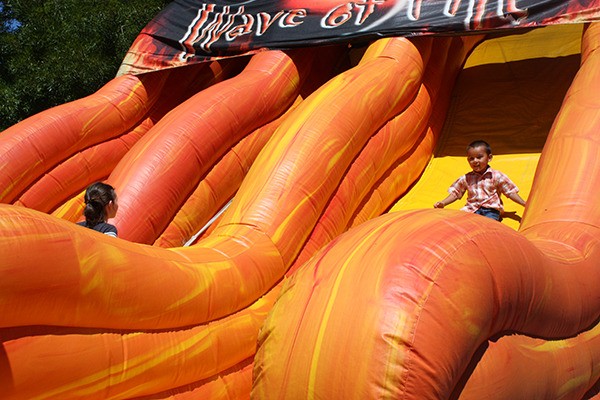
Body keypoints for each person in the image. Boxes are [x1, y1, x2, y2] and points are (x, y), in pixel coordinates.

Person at [433, 140, 526, 221]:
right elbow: (456, 193)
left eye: (479, 157)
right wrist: (443, 203)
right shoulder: (466, 178)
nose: (475, 161)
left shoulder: (496, 176)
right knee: (461, 222)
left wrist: (523, 203)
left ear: (489, 158)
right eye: (471, 158)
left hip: (491, 210)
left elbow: (509, 192)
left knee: (488, 223)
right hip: (471, 209)